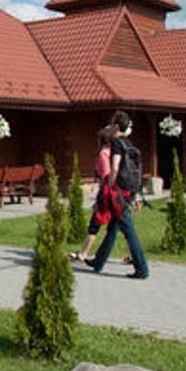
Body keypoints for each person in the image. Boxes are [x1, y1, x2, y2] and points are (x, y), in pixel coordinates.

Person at [87, 110, 149, 280]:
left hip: (118, 193)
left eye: (112, 124)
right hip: (128, 192)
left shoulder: (117, 143)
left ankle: (142, 268)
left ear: (116, 125)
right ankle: (98, 262)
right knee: (113, 228)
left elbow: (114, 167)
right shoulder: (129, 144)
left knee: (129, 231)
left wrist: (109, 185)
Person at [71, 125, 114, 264]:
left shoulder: (104, 154)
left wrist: (101, 197)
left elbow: (107, 176)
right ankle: (133, 254)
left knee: (95, 223)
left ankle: (83, 253)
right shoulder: (115, 152)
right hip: (117, 194)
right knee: (121, 225)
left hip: (108, 193)